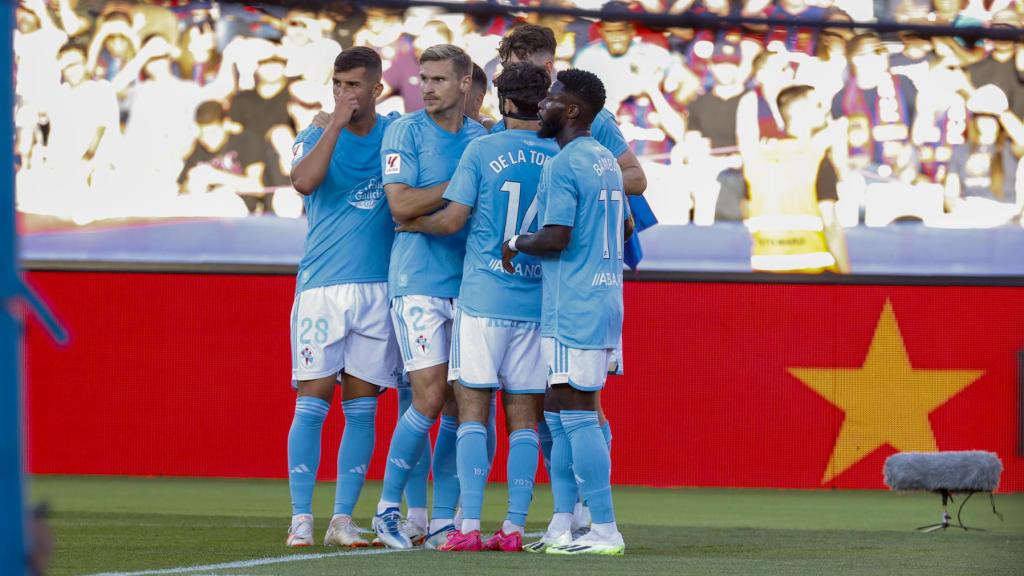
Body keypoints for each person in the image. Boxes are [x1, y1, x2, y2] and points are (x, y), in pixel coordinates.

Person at [394, 61, 556, 552]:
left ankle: (464, 527)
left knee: (470, 412)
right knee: (524, 418)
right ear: (542, 101)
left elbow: (451, 221)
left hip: (483, 299)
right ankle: (512, 528)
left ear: (504, 102)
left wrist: (412, 226)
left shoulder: (482, 149)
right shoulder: (558, 154)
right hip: (534, 300)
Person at [495, 22, 646, 535]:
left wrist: (514, 242)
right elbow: (624, 218)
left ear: (574, 110)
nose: (544, 103)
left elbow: (555, 237)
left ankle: (601, 526)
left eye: (554, 97)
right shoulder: (603, 159)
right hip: (599, 299)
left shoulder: (564, 166)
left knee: (577, 412)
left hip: (576, 303)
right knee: (559, 411)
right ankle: (564, 521)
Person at [284, 47, 402, 548]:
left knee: (362, 408)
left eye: (354, 85)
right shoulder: (313, 135)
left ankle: (341, 520)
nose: (343, 93)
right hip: (322, 289)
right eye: (337, 83)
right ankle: (300, 519)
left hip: (378, 287)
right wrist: (333, 123)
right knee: (311, 403)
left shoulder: (396, 133)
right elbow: (303, 182)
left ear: (377, 89)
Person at [372, 44, 487, 550]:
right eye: (424, 78)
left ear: (466, 84)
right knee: (429, 396)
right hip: (417, 280)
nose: (428, 87)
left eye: (439, 79)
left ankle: (442, 520)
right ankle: (386, 509)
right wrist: (462, 184)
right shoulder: (404, 130)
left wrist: (437, 198)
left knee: (462, 408)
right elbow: (400, 203)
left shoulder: (481, 138)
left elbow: (424, 206)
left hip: (468, 284)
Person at [744, 85, 850, 274]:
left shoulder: (759, 158)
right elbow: (831, 225)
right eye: (817, 105)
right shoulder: (817, 159)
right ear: (799, 112)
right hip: (811, 274)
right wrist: (848, 277)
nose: (825, 110)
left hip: (765, 271)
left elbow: (745, 209)